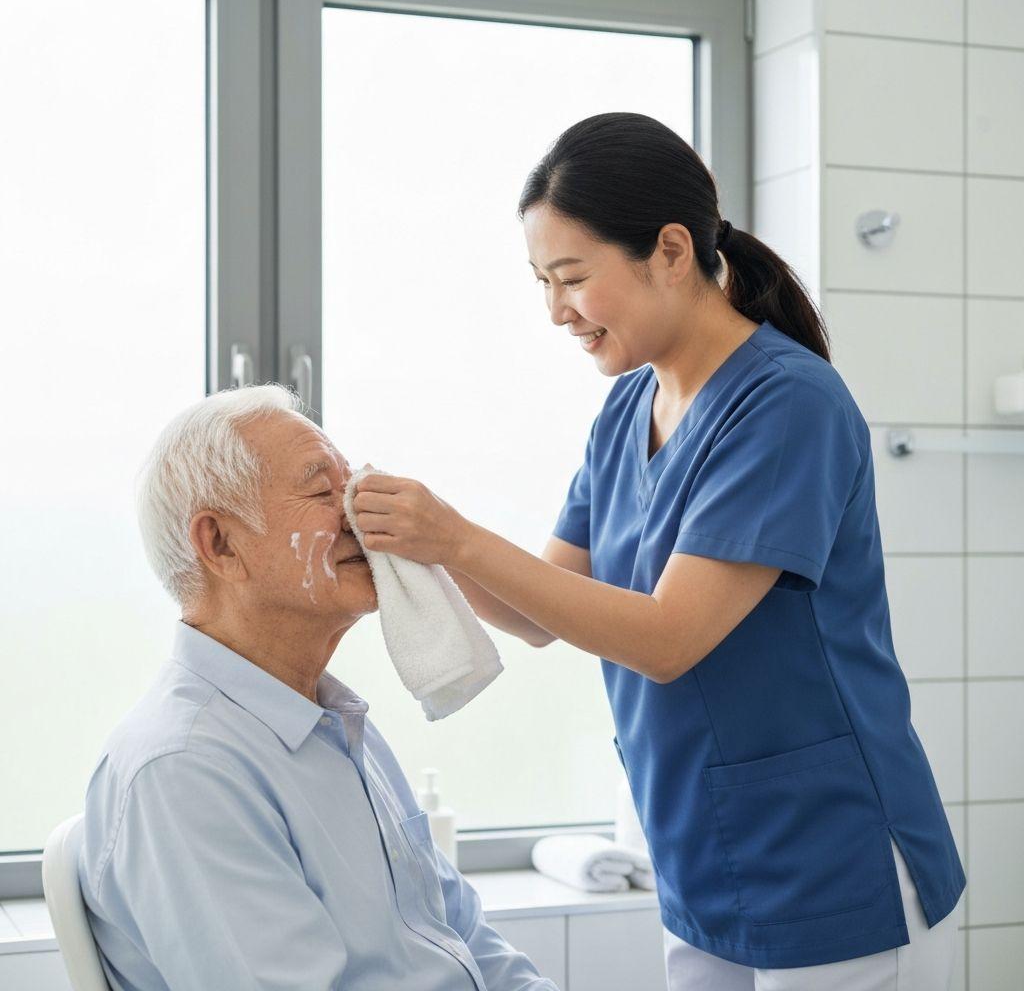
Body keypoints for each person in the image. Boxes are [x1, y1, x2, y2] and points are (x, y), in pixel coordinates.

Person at [350, 112, 966, 990]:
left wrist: (454, 535)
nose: (556, 312)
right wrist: (413, 543)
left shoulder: (787, 404)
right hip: (702, 853)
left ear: (671, 251)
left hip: (834, 857)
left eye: (572, 278)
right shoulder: (625, 410)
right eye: (542, 283)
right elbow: (538, 613)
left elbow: (668, 639)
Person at [78, 386, 558, 991]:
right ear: (220, 544)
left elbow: (462, 938)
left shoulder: (336, 724)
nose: (360, 513)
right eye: (322, 492)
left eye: (352, 485)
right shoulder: (185, 771)